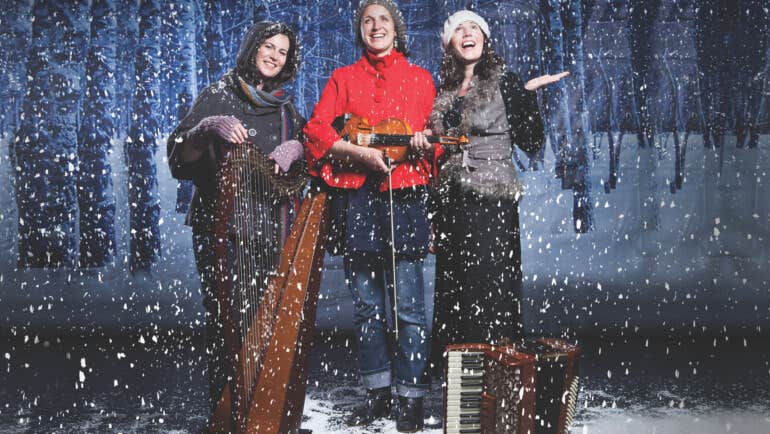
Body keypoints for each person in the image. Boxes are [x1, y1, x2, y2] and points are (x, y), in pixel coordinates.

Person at [302, 0, 439, 430]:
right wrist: (357, 152)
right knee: (367, 307)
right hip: (358, 199)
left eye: (383, 20)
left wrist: (424, 142)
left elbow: (436, 139)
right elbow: (316, 131)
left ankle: (412, 399)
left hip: (407, 195)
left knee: (411, 306)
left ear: (397, 30)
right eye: (367, 21)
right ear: (359, 30)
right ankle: (379, 397)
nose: (376, 27)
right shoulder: (342, 78)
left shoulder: (421, 79)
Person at [416, 10, 569, 373]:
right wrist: (435, 217)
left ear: (485, 39)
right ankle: (461, 391)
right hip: (452, 205)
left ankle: (494, 386)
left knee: (491, 293)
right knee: (455, 296)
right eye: (459, 29)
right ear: (449, 43)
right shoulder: (445, 93)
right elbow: (441, 155)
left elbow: (532, 143)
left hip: (491, 204)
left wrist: (526, 97)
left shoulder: (505, 82)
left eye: (474, 27)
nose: (467, 33)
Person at [166, 21, 305, 413]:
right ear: (252, 49)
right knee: (229, 328)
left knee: (265, 326)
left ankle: (262, 408)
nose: (275, 56)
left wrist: (296, 147)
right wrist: (206, 128)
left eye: (283, 51)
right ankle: (228, 409)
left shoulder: (284, 109)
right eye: (268, 46)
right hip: (223, 234)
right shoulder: (218, 94)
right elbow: (178, 157)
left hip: (270, 233)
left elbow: (306, 165)